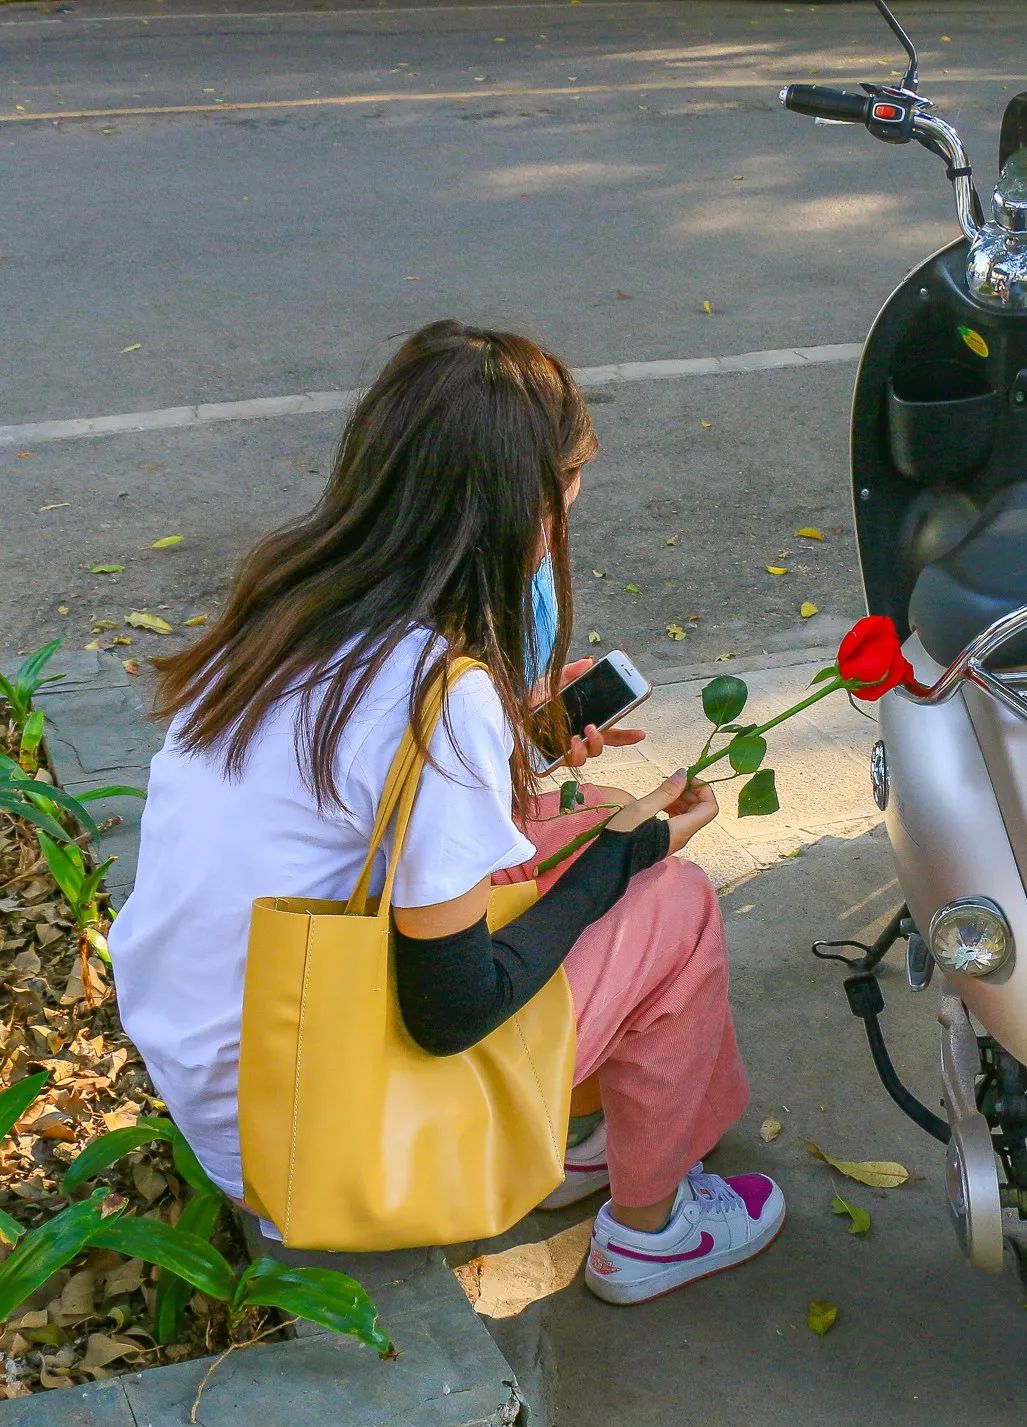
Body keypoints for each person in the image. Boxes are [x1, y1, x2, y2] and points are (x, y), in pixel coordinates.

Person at [109, 320, 784, 1306]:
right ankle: (649, 1230)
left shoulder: (288, 595)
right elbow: (451, 1008)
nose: (580, 496)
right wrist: (630, 856)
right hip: (315, 1142)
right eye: (573, 474)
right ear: (520, 503)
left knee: (577, 812)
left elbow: (361, 795)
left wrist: (524, 735)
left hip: (231, 1075)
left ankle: (606, 1132)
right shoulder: (437, 690)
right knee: (665, 896)